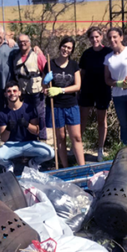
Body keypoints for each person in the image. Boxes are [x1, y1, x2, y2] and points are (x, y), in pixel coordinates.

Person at [0, 80, 55, 173]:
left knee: (50, 153)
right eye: (9, 91)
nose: (12, 94)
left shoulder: (29, 108)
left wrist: (27, 125)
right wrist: (8, 128)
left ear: (19, 93)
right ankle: (9, 165)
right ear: (5, 94)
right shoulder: (2, 113)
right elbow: (3, 138)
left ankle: (33, 162)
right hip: (12, 145)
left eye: (14, 91)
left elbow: (36, 131)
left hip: (30, 143)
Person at [43, 36, 85, 168]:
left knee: (76, 137)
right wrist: (45, 84)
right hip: (56, 106)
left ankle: (82, 167)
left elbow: (78, 86)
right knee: (60, 138)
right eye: (64, 46)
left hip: (71, 105)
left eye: (69, 48)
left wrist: (60, 90)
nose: (66, 50)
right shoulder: (50, 64)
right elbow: (45, 89)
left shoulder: (73, 65)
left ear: (71, 51)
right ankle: (65, 166)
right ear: (60, 46)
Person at [78, 26, 113, 162]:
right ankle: (77, 146)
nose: (94, 39)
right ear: (89, 39)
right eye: (92, 37)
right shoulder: (86, 54)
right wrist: (79, 89)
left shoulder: (108, 52)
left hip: (103, 89)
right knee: (83, 119)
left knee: (101, 119)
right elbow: (82, 72)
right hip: (87, 89)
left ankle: (100, 149)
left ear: (101, 37)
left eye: (97, 37)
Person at [9, 34, 48, 141]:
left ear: (30, 42)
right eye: (20, 42)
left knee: (39, 114)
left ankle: (42, 136)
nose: (23, 43)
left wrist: (45, 86)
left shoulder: (37, 55)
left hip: (36, 90)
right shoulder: (15, 56)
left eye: (25, 41)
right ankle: (29, 135)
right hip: (23, 91)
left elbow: (46, 71)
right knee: (26, 114)